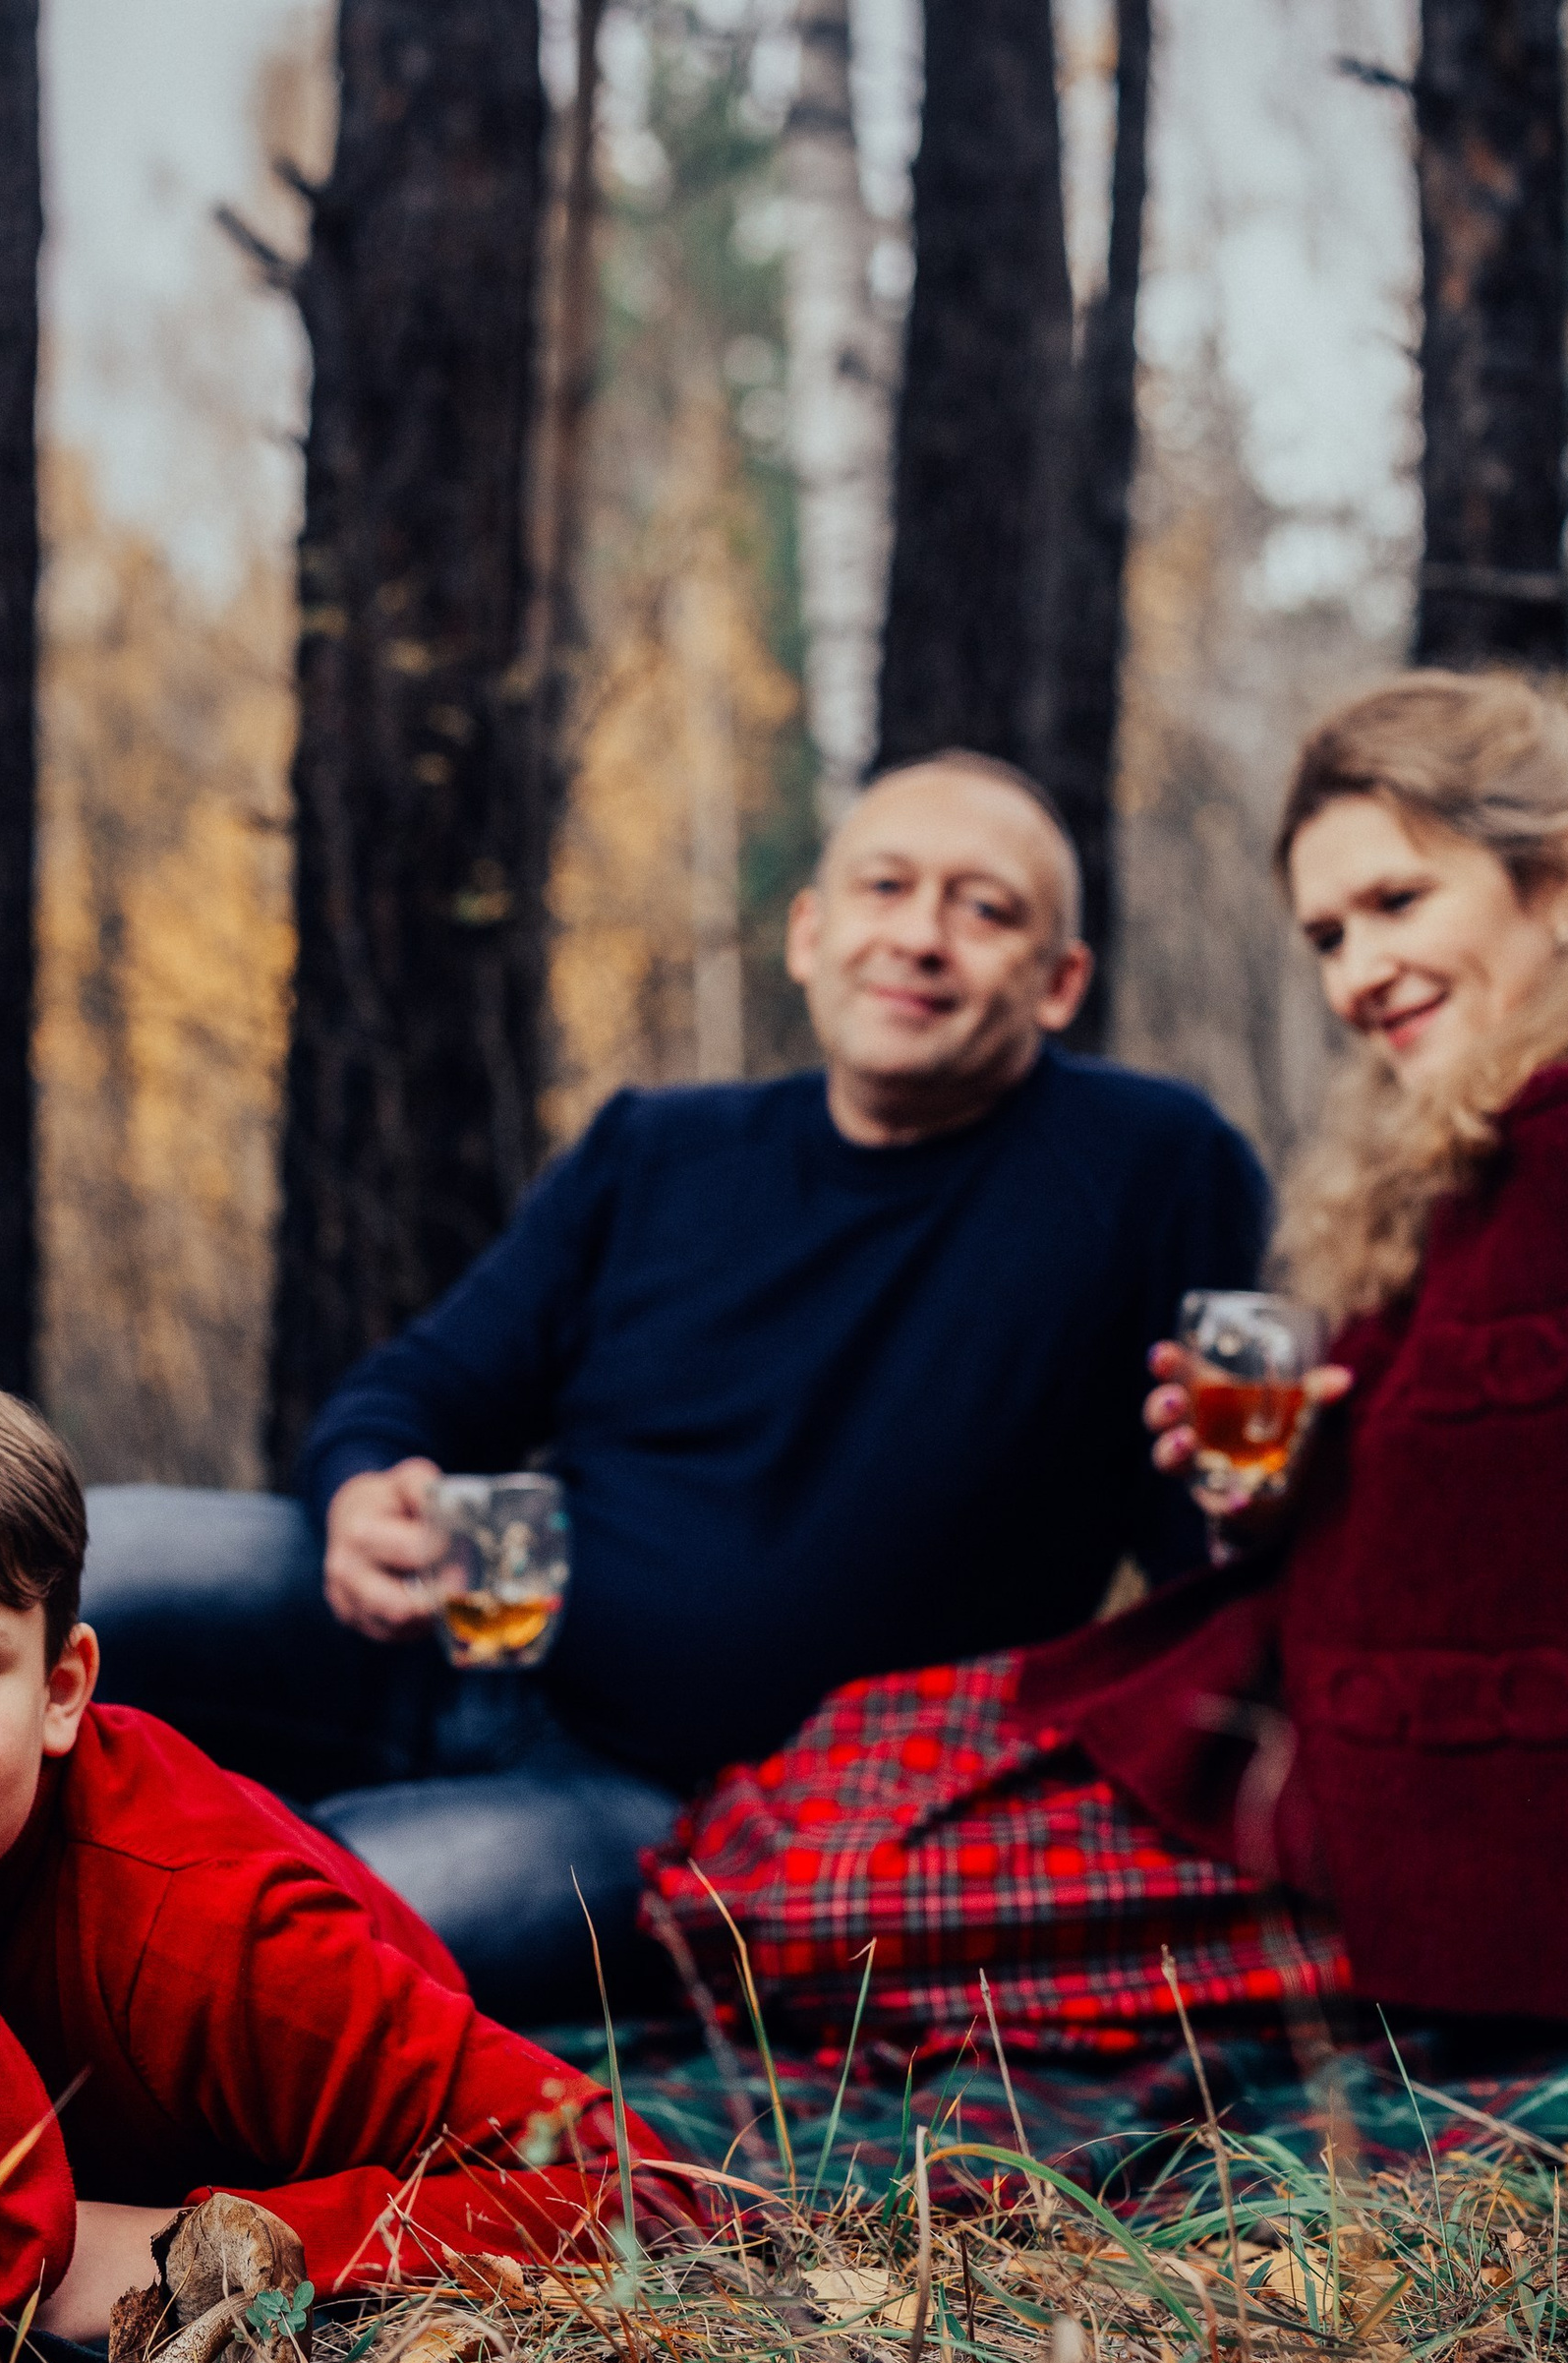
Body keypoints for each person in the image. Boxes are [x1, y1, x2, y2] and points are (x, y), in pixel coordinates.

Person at [87, 753, 1269, 2022]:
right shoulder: (657, 1149)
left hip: (686, 1822)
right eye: (885, 887)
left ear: (1059, 983)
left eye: (985, 910)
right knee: (77, 1554)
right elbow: (422, 1388)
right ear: (811, 935)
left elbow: (1201, 1540)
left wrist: (1263, 1505)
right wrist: (366, 1486)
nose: (920, 937)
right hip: (463, 1638)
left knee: (285, 1932)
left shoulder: (1149, 1167)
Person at [650, 670, 1568, 2052]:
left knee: (770, 1897)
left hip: (1421, 1829)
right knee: (829, 1758)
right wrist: (1277, 1477)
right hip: (1304, 1705)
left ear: (1548, 880)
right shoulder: (1453, 1148)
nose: (1357, 975)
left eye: (1397, 903)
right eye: (1327, 934)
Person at [0, 1350, 688, 2345]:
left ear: (60, 1691)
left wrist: (190, 2250)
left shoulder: (210, 1936)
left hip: (515, 1825)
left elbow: (651, 2193)